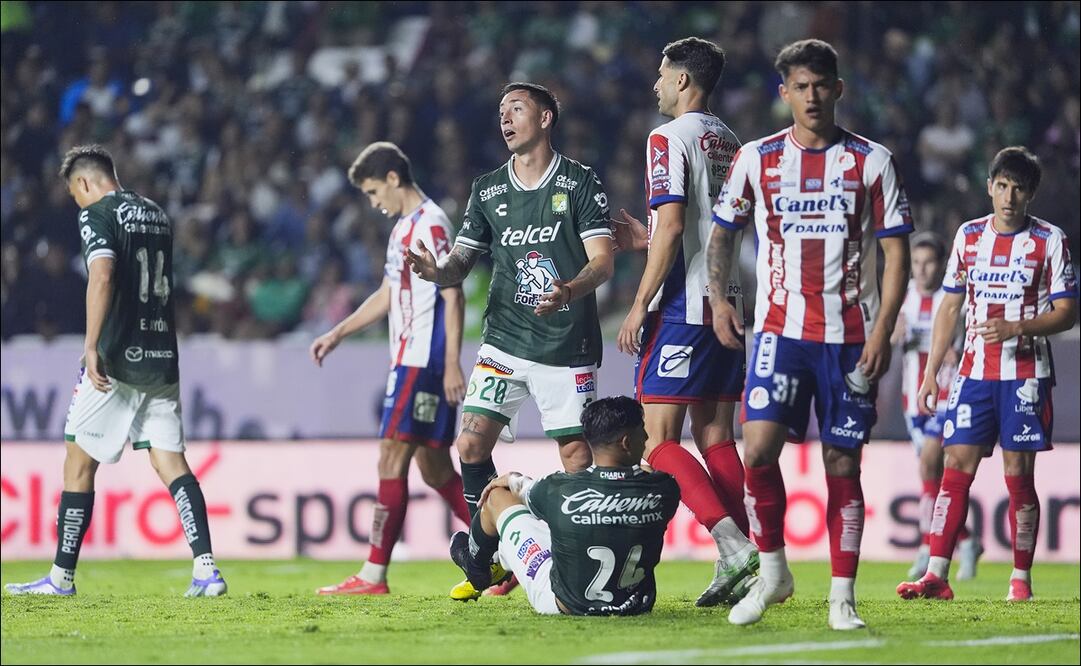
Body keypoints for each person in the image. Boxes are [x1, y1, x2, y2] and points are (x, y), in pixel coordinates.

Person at [707, 39, 913, 629]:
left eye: (821, 84)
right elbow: (723, 234)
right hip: (781, 332)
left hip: (850, 337)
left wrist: (884, 329)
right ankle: (774, 573)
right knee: (757, 449)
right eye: (801, 86)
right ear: (785, 93)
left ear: (838, 89)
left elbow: (896, 256)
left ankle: (842, 596)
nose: (812, 95)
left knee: (842, 463)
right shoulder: (758, 158)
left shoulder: (871, 161)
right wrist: (719, 300)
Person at [405, 82, 615, 600]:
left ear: (544, 118)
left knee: (575, 457)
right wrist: (437, 271)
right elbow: (461, 261)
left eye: (516, 109)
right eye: (501, 111)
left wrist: (569, 290)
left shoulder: (579, 181)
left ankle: (574, 564)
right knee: (470, 443)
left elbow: (603, 261)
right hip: (504, 341)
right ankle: (493, 557)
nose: (505, 118)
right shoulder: (488, 189)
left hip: (566, 345)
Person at [5, 145, 227, 597]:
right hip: (161, 355)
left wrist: (91, 346)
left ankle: (61, 578)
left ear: (85, 182)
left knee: (78, 460)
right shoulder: (157, 214)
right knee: (171, 462)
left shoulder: (97, 214)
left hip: (118, 357)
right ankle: (206, 570)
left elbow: (103, 275)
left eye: (75, 195)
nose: (77, 205)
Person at [612, 37, 757, 607]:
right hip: (730, 300)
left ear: (681, 80)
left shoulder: (667, 137)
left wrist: (639, 302)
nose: (655, 84)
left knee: (656, 439)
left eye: (661, 73)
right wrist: (648, 237)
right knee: (716, 435)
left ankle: (732, 545)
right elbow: (704, 222)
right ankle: (752, 562)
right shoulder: (731, 141)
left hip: (684, 305)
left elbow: (674, 226)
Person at [897, 146, 1077, 602]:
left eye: (1018, 188)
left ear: (1031, 193)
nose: (1009, 196)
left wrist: (1017, 327)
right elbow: (950, 306)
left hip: (1026, 375)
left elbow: (1067, 312)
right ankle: (937, 574)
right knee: (955, 466)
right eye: (1002, 186)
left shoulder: (1049, 240)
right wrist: (931, 372)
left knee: (1018, 474)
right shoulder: (969, 235)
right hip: (974, 374)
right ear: (989, 187)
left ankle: (1021, 578)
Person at [309, 142, 472, 595]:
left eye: (373, 191)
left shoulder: (431, 223)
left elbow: (453, 291)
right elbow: (388, 292)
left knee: (390, 456)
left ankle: (373, 574)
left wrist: (451, 363)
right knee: (435, 472)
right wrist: (338, 333)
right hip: (410, 358)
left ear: (394, 179)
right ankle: (507, 553)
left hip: (422, 360)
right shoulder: (403, 227)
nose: (373, 202)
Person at [447, 396, 680, 615]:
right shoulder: (664, 488)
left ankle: (478, 568)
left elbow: (522, 489)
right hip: (637, 605)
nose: (646, 438)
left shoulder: (558, 489)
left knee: (497, 496)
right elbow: (631, 489)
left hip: (563, 604)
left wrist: (513, 478)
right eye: (642, 430)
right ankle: (498, 561)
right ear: (627, 442)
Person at [893, 232, 983, 580]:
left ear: (942, 264)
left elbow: (967, 338)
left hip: (948, 395)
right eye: (916, 262)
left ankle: (926, 546)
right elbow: (891, 339)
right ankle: (967, 540)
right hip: (912, 399)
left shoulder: (953, 297)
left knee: (930, 461)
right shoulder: (904, 297)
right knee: (933, 476)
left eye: (928, 262)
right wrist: (894, 332)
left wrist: (954, 350)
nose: (921, 269)